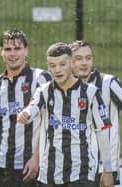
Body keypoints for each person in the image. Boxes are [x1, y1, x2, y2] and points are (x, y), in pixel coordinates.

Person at [17, 42, 114, 187]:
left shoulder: (91, 92)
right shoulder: (44, 91)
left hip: (82, 172)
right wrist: (26, 114)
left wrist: (107, 170)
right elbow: (32, 107)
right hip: (49, 173)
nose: (57, 70)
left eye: (62, 64)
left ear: (72, 63)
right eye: (52, 65)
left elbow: (103, 132)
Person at [0, 29, 52, 187]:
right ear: (1, 52)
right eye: (8, 49)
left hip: (28, 166)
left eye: (17, 48)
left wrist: (37, 158)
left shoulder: (41, 78)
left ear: (26, 50)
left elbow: (51, 122)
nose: (13, 54)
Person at [69, 40, 122, 186]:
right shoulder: (65, 88)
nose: (84, 63)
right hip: (74, 167)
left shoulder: (108, 83)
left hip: (104, 168)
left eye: (88, 58)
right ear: (69, 62)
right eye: (78, 58)